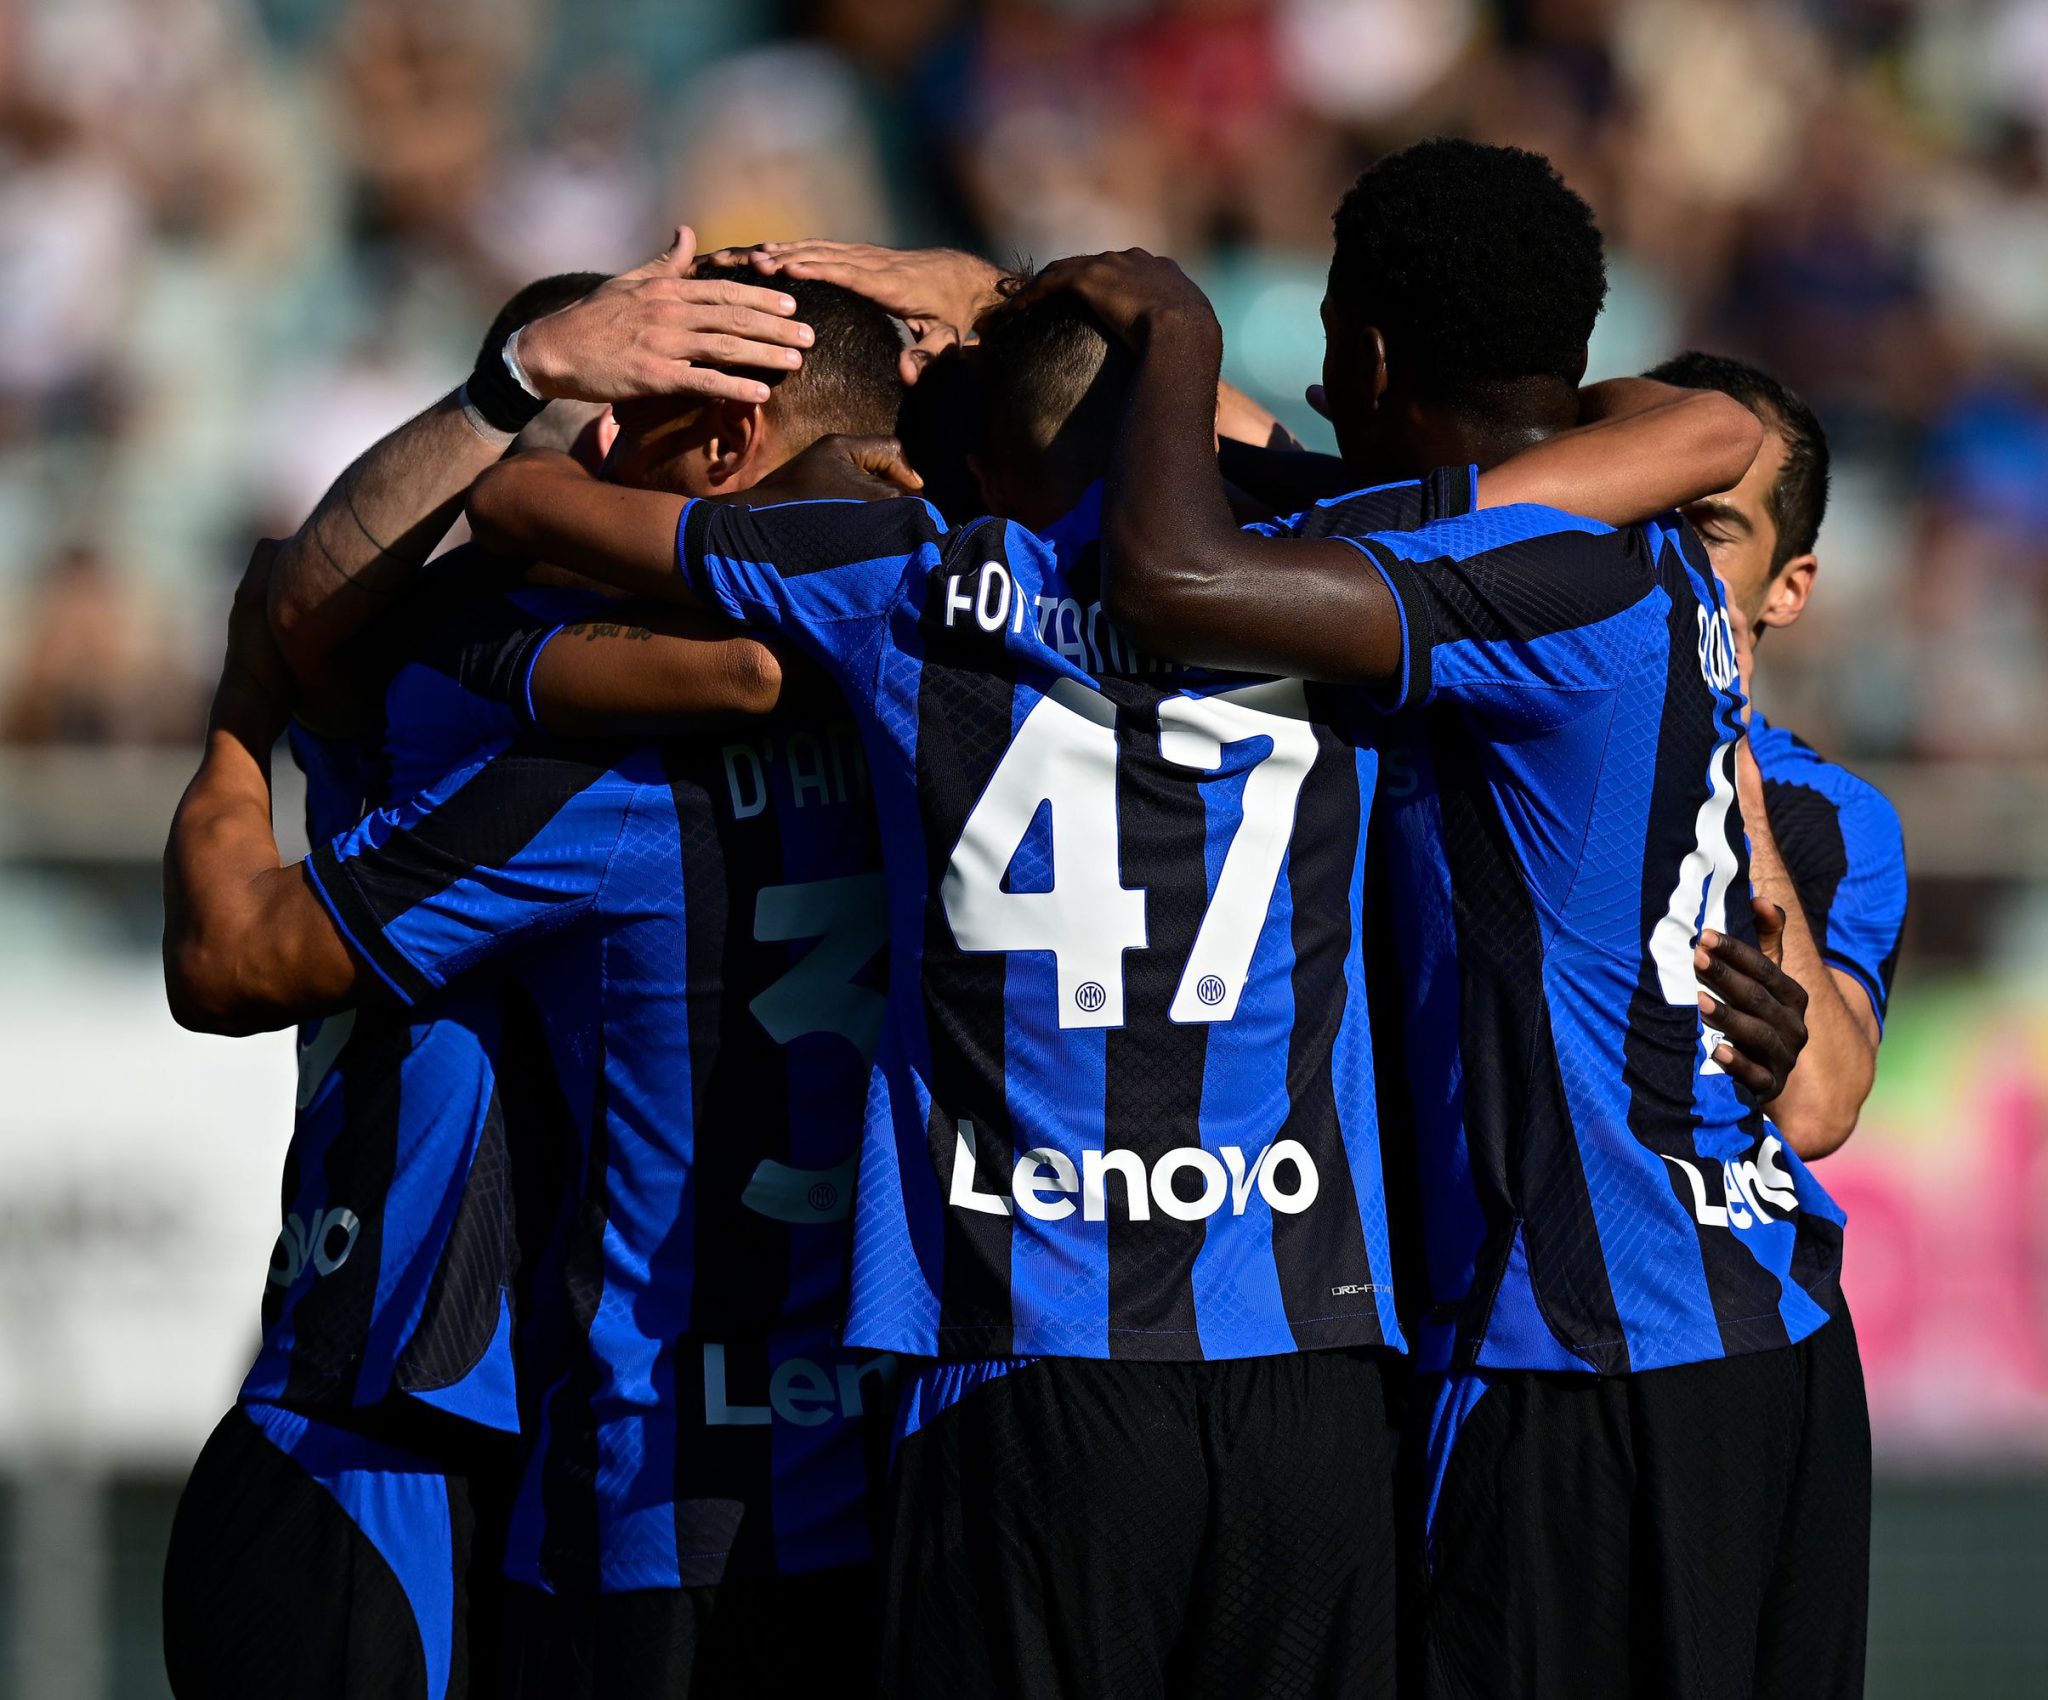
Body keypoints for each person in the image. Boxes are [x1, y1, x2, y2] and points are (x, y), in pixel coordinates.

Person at [459, 240, 1800, 1698]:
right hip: (1301, 1364)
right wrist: (1108, 324)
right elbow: (1701, 439)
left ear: (980, 448)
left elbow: (519, 498)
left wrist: (666, 424)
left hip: (1018, 1362)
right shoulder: (1334, 571)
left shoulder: (889, 577)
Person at [1019, 137, 1860, 1700]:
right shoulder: (1649, 544)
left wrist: (1185, 328)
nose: (1326, 387)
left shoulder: (1534, 579)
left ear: (1375, 348)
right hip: (1767, 1339)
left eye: (1335, 344)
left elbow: (1174, 575)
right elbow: (1324, 485)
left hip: (1579, 1362)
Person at [164, 270, 916, 1700]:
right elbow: (317, 602)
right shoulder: (955, 685)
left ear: (720, 442)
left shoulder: (560, 723)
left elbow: (306, 612)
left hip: (561, 1474)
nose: (582, 464)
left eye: (615, 422)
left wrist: (243, 720)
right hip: (418, 1432)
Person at [1644, 350, 1906, 1160]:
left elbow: (1818, 1109)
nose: (1670, 559)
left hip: (1704, 1267)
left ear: (1787, 589)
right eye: (1648, 517)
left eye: (1709, 532)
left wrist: (1724, 761)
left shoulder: (1831, 815)